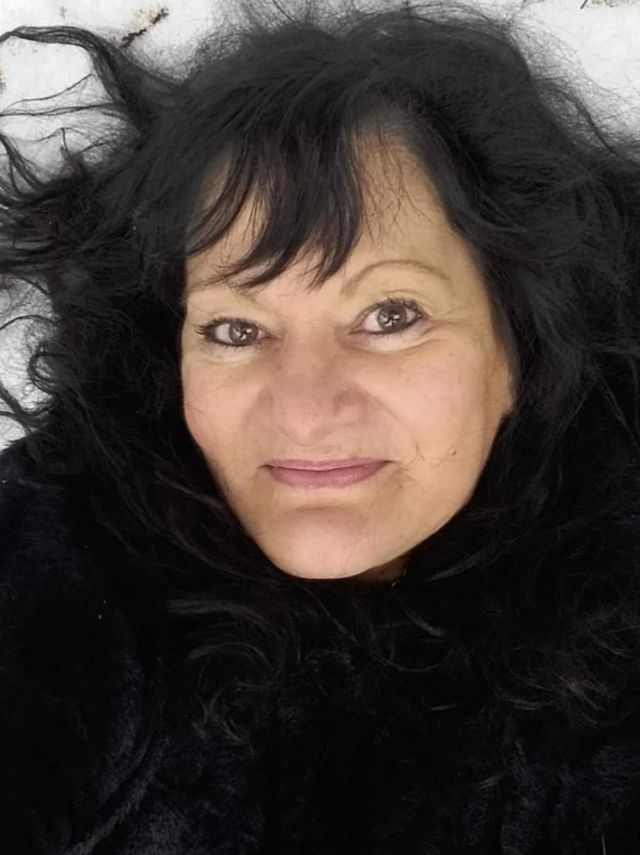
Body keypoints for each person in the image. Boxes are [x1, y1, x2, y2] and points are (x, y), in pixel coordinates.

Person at [0, 0, 639, 851]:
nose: (303, 409)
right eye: (237, 329)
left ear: (522, 348)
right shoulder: (59, 558)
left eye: (390, 315)